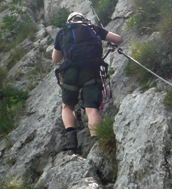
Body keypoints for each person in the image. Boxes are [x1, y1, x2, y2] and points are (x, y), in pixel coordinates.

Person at [52, 12, 123, 151]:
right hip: (91, 71)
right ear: (83, 19)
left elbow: (55, 59)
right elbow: (118, 39)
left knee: (67, 107)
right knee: (92, 109)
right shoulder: (92, 28)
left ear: (69, 21)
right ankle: (98, 143)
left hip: (70, 72)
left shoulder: (63, 32)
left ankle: (71, 140)